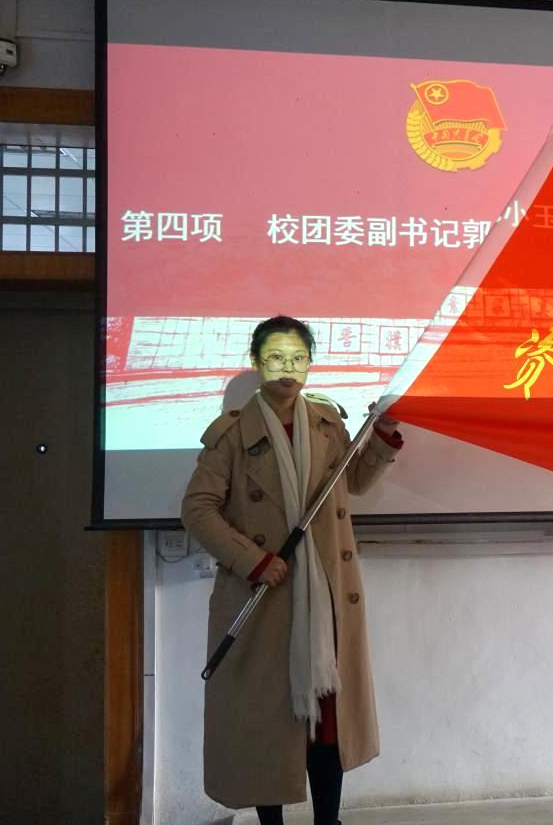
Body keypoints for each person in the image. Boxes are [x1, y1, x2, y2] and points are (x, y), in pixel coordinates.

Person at [182, 315, 403, 825]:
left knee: (327, 721)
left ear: (309, 363)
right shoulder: (232, 435)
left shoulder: (327, 423)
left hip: (325, 596)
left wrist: (383, 435)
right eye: (276, 358)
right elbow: (197, 509)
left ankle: (329, 820)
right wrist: (253, 560)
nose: (288, 368)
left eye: (298, 358)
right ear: (257, 363)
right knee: (268, 723)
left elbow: (354, 483)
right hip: (265, 597)